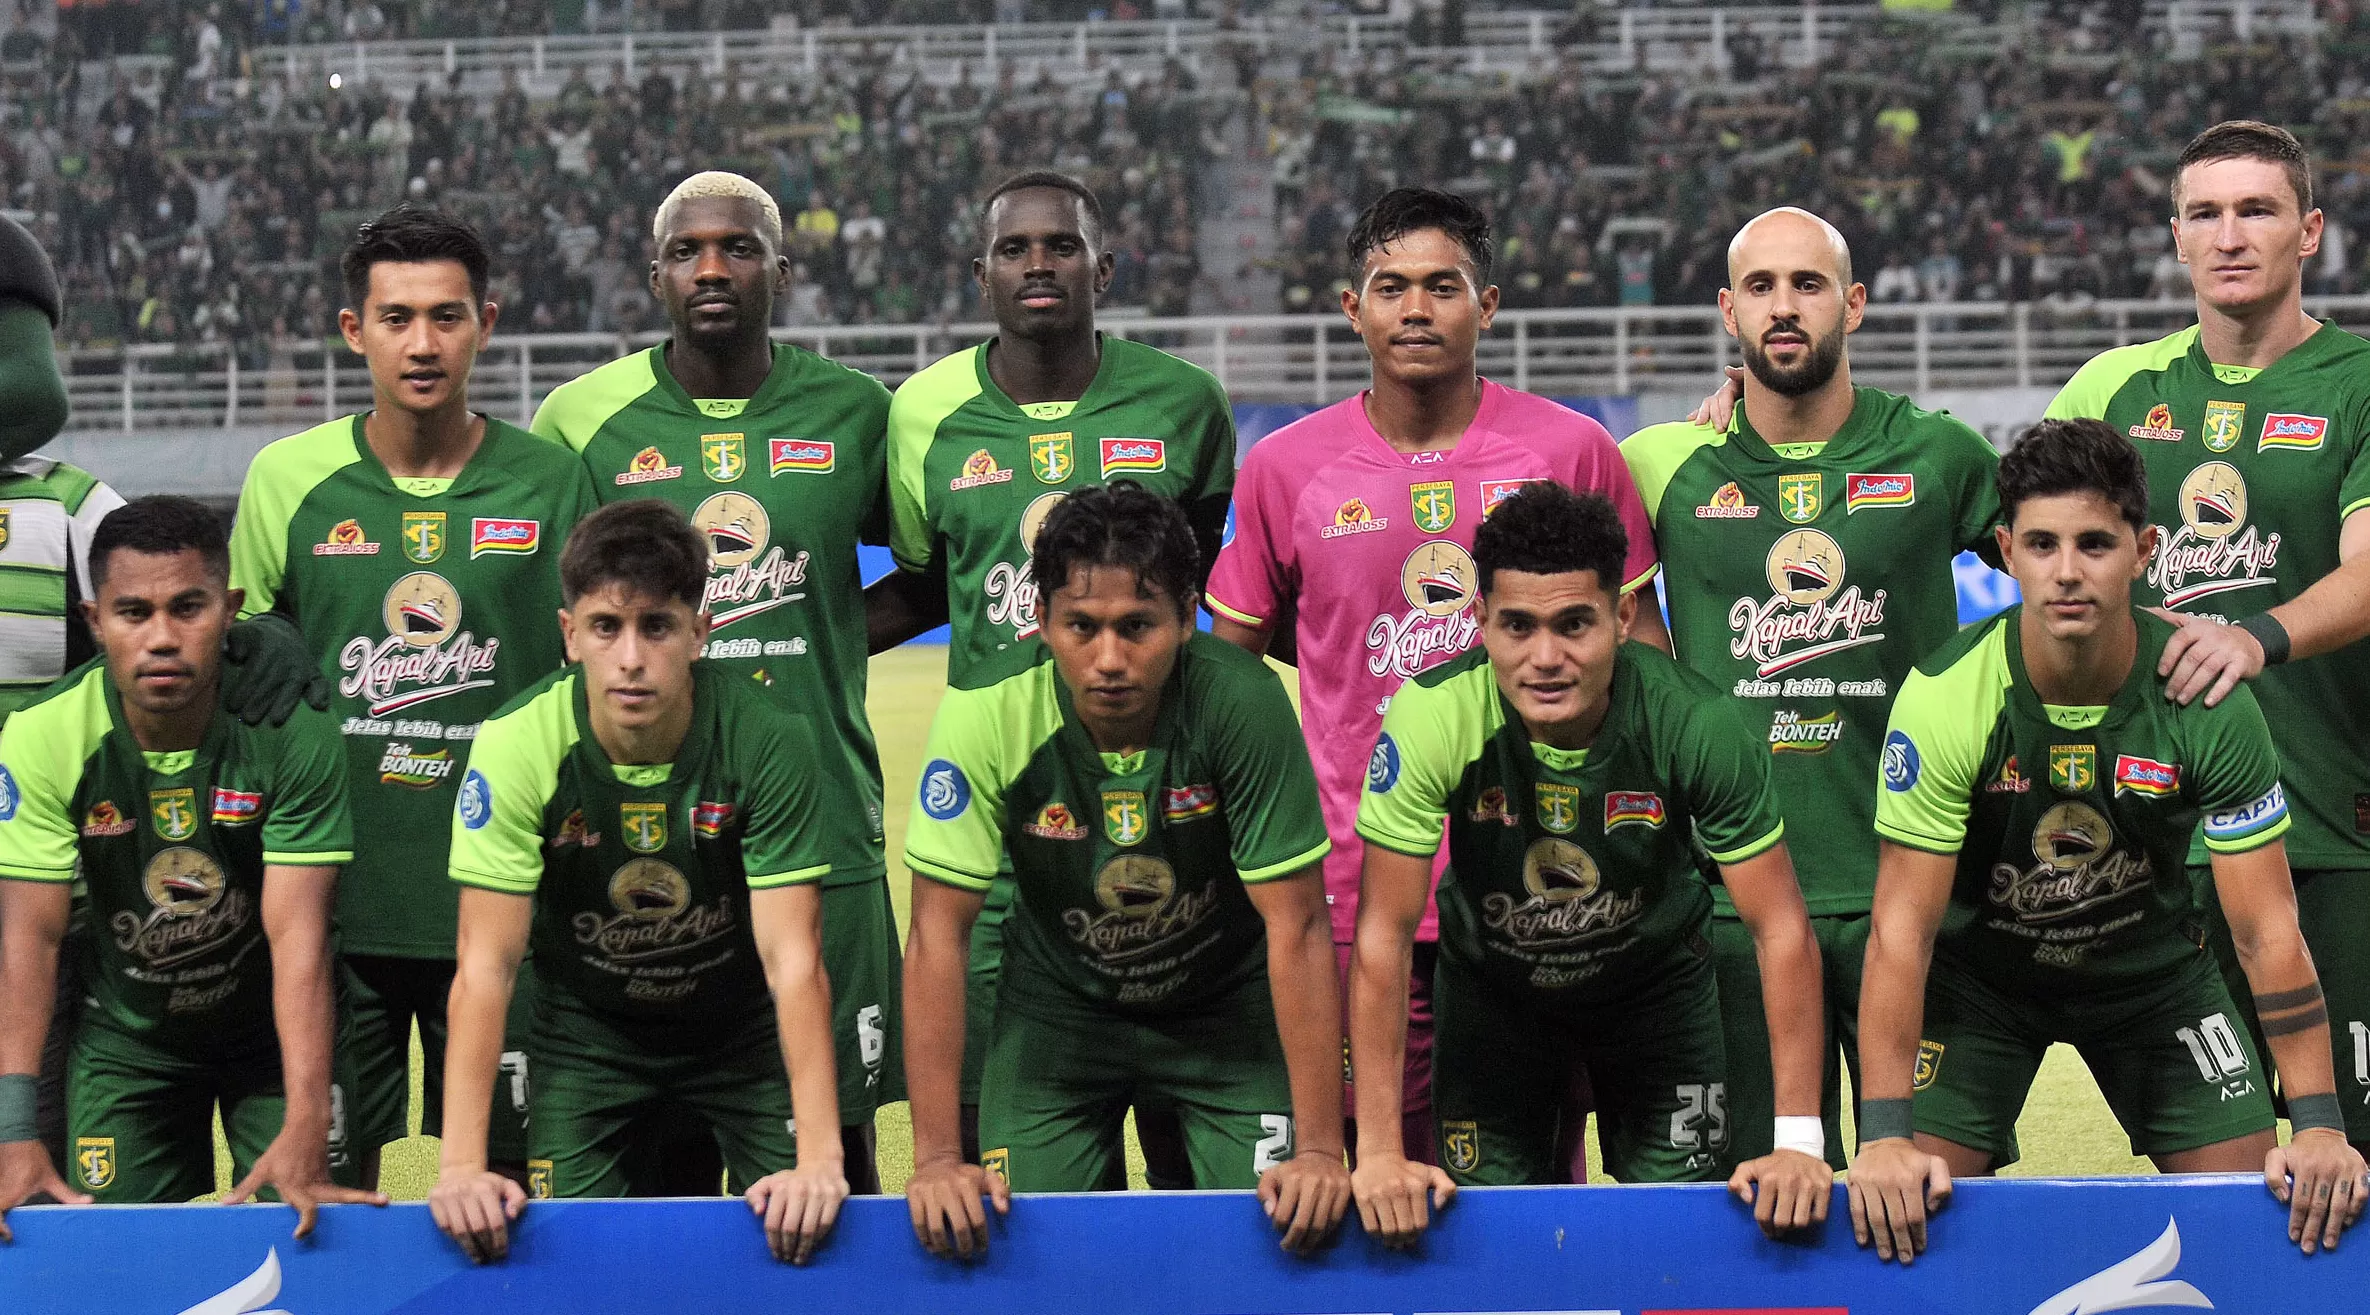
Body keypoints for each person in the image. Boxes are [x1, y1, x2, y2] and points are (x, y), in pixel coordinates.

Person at [1208, 186, 1662, 1173]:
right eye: (1391, 287)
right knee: (1380, 1174)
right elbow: (1225, 682)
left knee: (1536, 1174)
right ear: (1352, 307)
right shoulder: (1283, 469)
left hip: (1548, 878)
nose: (1416, 308)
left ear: (1486, 305)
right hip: (1358, 882)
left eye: (1442, 286)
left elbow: (1646, 666)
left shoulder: (1571, 450)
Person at [1852, 418, 2367, 1263]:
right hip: (1981, 989)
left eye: (2094, 543)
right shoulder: (1947, 696)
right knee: (1898, 1214)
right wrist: (1880, 1135)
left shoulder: (2205, 698)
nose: (2066, 571)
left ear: (2144, 550)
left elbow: (2266, 929)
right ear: (2007, 551)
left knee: (2255, 1225)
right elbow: (1901, 933)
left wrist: (2316, 1123)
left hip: (2154, 979)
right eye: (2042, 544)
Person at [531, 171, 903, 1193]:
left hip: (822, 813)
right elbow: (560, 607)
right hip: (645, 829)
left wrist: (829, 629)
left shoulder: (858, 412)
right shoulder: (581, 420)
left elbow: (932, 571)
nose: (710, 268)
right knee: (669, 1156)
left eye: (737, 248)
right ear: (653, 276)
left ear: (782, 271)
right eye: (685, 251)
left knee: (836, 1153)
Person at [869, 171, 1233, 1183]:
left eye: (1062, 246)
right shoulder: (924, 413)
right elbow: (927, 582)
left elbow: (1196, 577)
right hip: (997, 811)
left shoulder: (1186, 404)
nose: (1039, 263)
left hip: (1163, 801)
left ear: (1102, 269)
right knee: (1012, 1145)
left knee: (1186, 1139)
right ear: (979, 272)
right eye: (1015, 248)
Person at [1349, 482, 1828, 1246]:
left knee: (1684, 1234)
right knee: (1494, 1242)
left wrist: (1800, 1142)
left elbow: (1780, 928)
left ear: (1623, 616)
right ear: (1480, 620)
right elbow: (1383, 936)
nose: (1546, 658)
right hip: (1495, 1001)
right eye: (1518, 626)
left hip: (1655, 997)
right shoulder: (1434, 715)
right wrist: (1376, 1152)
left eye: (1574, 623)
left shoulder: (1696, 722)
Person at [1621, 207, 2001, 1169]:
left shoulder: (1939, 455)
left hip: (1913, 890)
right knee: (1758, 1195)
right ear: (1728, 312)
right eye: (1761, 287)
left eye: (1808, 284)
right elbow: (1607, 620)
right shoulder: (1659, 465)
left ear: (1855, 304)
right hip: (1733, 900)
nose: (1783, 306)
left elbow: (2065, 565)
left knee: (1924, 1191)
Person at [229, 205, 601, 1187]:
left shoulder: (554, 483)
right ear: (355, 330)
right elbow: (247, 668)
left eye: (446, 316)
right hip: (336, 909)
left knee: (510, 1195)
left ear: (487, 322)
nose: (423, 343)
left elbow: (595, 680)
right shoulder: (286, 481)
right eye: (396, 318)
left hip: (506, 903)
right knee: (329, 1193)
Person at [900, 483, 1348, 1258]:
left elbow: (1300, 925)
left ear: (1187, 615)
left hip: (1227, 1008)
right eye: (1082, 626)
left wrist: (1318, 1147)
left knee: (1284, 1243)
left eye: (1137, 626)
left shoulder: (1241, 701)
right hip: (1058, 1013)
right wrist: (939, 1156)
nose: (1109, 659)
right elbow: (937, 934)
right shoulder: (986, 708)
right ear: (1041, 619)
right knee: (1033, 1256)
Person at [2043, 121, 2370, 1156]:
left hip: (2333, 835)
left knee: (2353, 1148)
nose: (2230, 235)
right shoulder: (2115, 390)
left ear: (2309, 231)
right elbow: (2000, 525)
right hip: (2162, 848)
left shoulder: (2359, 382)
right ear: (2176, 236)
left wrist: (2254, 638)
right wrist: (1750, 410)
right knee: (2214, 1162)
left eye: (2258, 210)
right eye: (2206, 213)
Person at [429, 499, 846, 1266]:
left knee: (812, 1242)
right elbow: (486, 966)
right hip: (589, 1038)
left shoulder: (769, 737)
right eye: (605, 627)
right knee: (573, 1262)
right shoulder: (516, 744)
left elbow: (794, 960)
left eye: (656, 626)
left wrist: (820, 1158)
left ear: (700, 631)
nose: (630, 657)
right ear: (569, 635)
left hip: (741, 1032)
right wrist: (460, 1164)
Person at [0, 497, 386, 1236]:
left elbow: (300, 938)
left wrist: (308, 1115)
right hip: (130, 1042)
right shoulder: (44, 735)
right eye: (133, 613)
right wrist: (12, 1130)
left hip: (274, 1040)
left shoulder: (291, 729)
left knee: (311, 1240)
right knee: (120, 1258)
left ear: (230, 610)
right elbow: (30, 942)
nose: (161, 638)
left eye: (188, 608)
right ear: (94, 620)